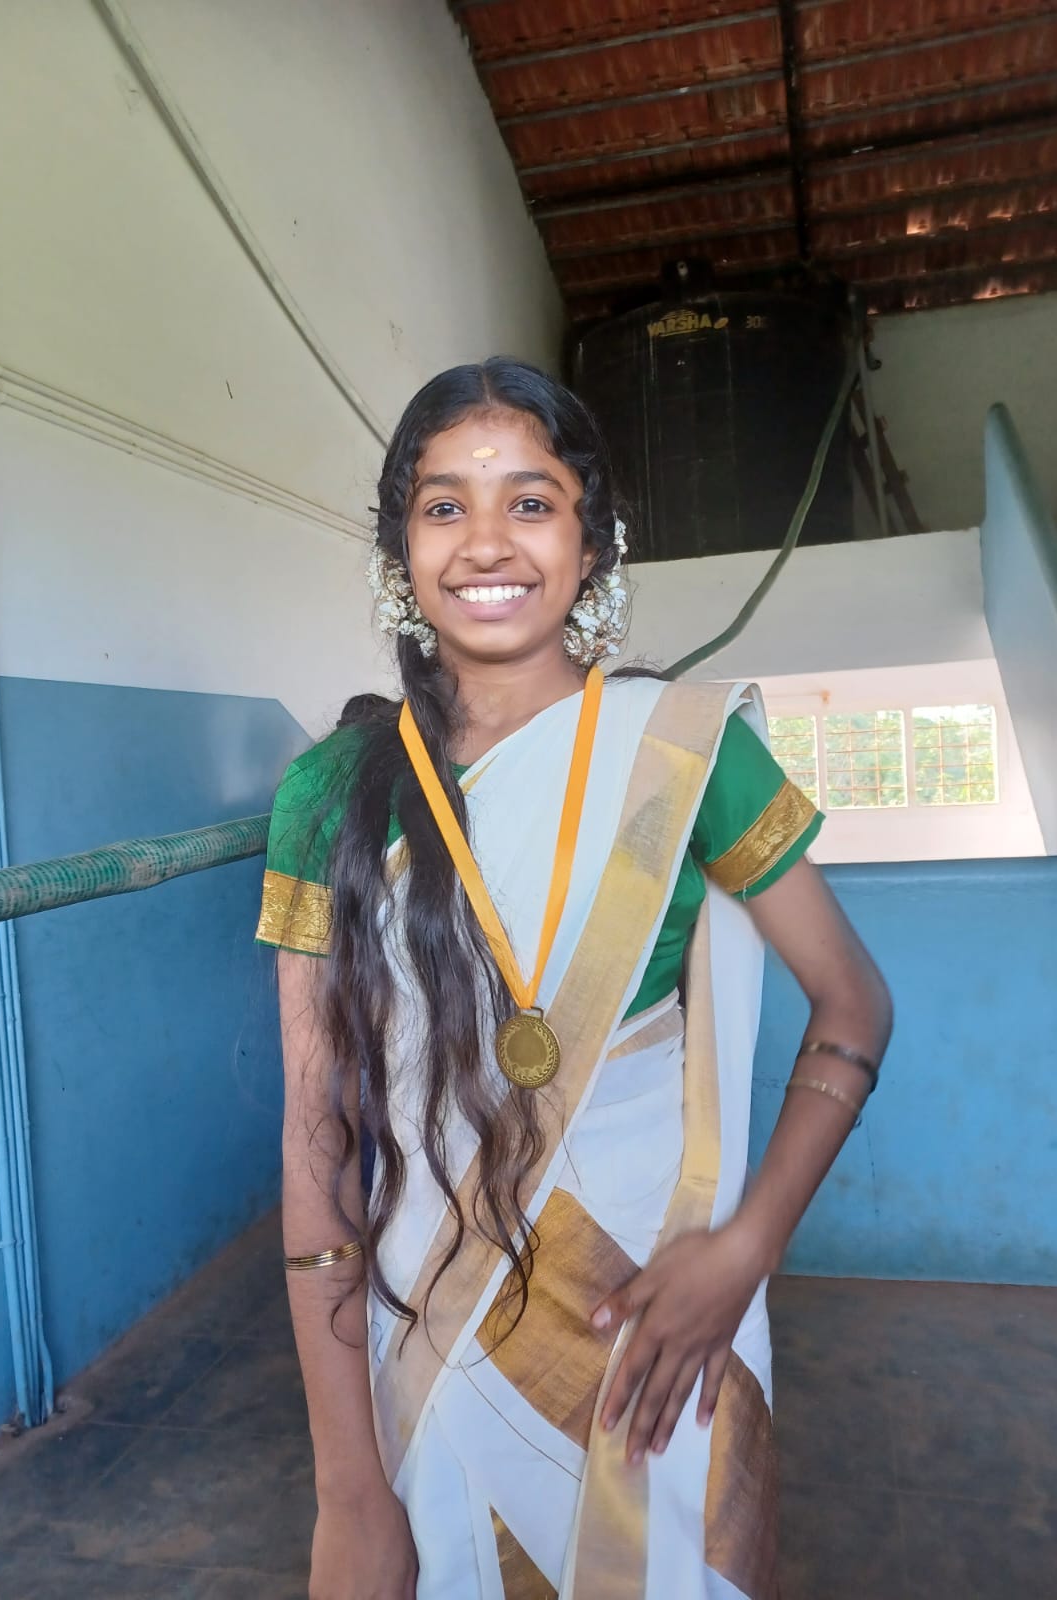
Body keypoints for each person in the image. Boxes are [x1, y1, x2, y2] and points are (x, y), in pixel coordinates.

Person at [256, 358, 892, 1600]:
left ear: (593, 541)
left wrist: (748, 1250)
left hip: (666, 1322)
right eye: (445, 505)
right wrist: (347, 1488)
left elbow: (853, 1000)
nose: (487, 541)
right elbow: (316, 1133)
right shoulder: (332, 793)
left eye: (531, 502)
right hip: (434, 1329)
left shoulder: (688, 751)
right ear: (400, 547)